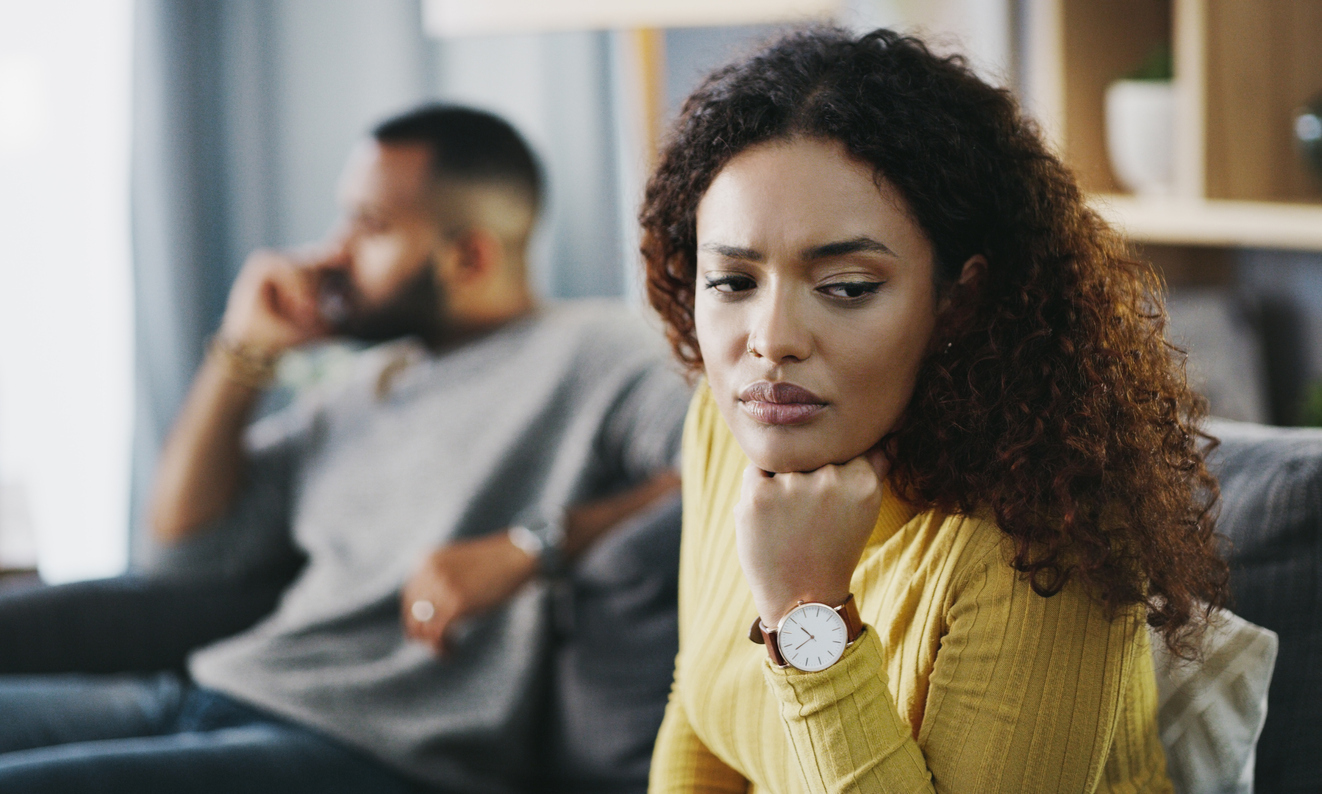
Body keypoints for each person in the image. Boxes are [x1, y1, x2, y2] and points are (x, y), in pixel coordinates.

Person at [0, 104, 690, 792]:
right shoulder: (369, 384)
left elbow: (724, 463)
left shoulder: (597, 352)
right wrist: (242, 354)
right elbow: (182, 553)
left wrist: (533, 544)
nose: (331, 252)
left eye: (370, 225)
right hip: (217, 693)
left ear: (469, 255)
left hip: (367, 751)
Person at [641, 28, 1229, 792]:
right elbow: (702, 719)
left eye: (847, 287)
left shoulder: (1043, 546)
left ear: (958, 299)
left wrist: (808, 609)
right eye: (732, 282)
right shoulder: (731, 429)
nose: (772, 342)